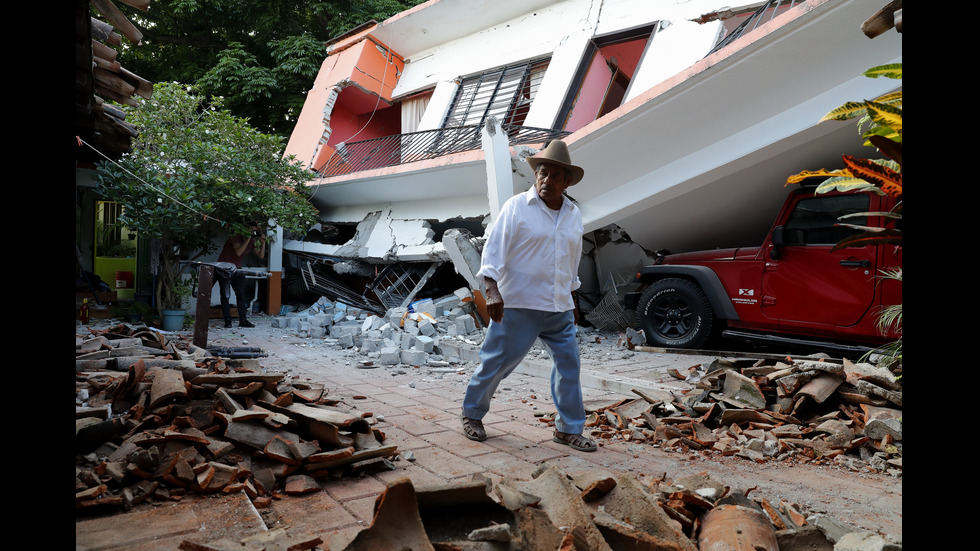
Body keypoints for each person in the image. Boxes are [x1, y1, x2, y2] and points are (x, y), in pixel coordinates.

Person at [460, 140, 596, 452]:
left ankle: (568, 429)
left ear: (567, 181)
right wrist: (492, 291)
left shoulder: (574, 214)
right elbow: (493, 252)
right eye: (542, 173)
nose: (546, 180)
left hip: (559, 307)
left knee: (569, 366)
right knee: (497, 363)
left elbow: (570, 261)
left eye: (553, 176)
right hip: (518, 305)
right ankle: (472, 413)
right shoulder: (517, 207)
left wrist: (572, 300)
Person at [216, 220, 266, 328]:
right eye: (249, 231)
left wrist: (263, 243)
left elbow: (261, 256)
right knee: (225, 295)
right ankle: (227, 321)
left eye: (253, 231)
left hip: (237, 268)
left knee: (241, 294)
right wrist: (248, 239)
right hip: (224, 267)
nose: (251, 233)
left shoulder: (251, 241)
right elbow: (238, 252)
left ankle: (243, 320)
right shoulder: (235, 237)